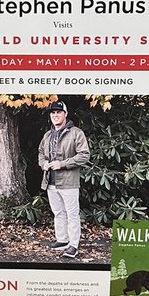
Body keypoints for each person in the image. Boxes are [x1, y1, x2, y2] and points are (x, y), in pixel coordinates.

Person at [38, 99, 90, 261]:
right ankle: (62, 240)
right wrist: (44, 164)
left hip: (69, 182)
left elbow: (84, 156)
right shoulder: (47, 135)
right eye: (53, 113)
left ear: (65, 114)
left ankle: (73, 245)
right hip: (50, 182)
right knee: (58, 212)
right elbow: (41, 153)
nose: (55, 115)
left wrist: (63, 164)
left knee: (72, 214)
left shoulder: (76, 133)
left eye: (58, 112)